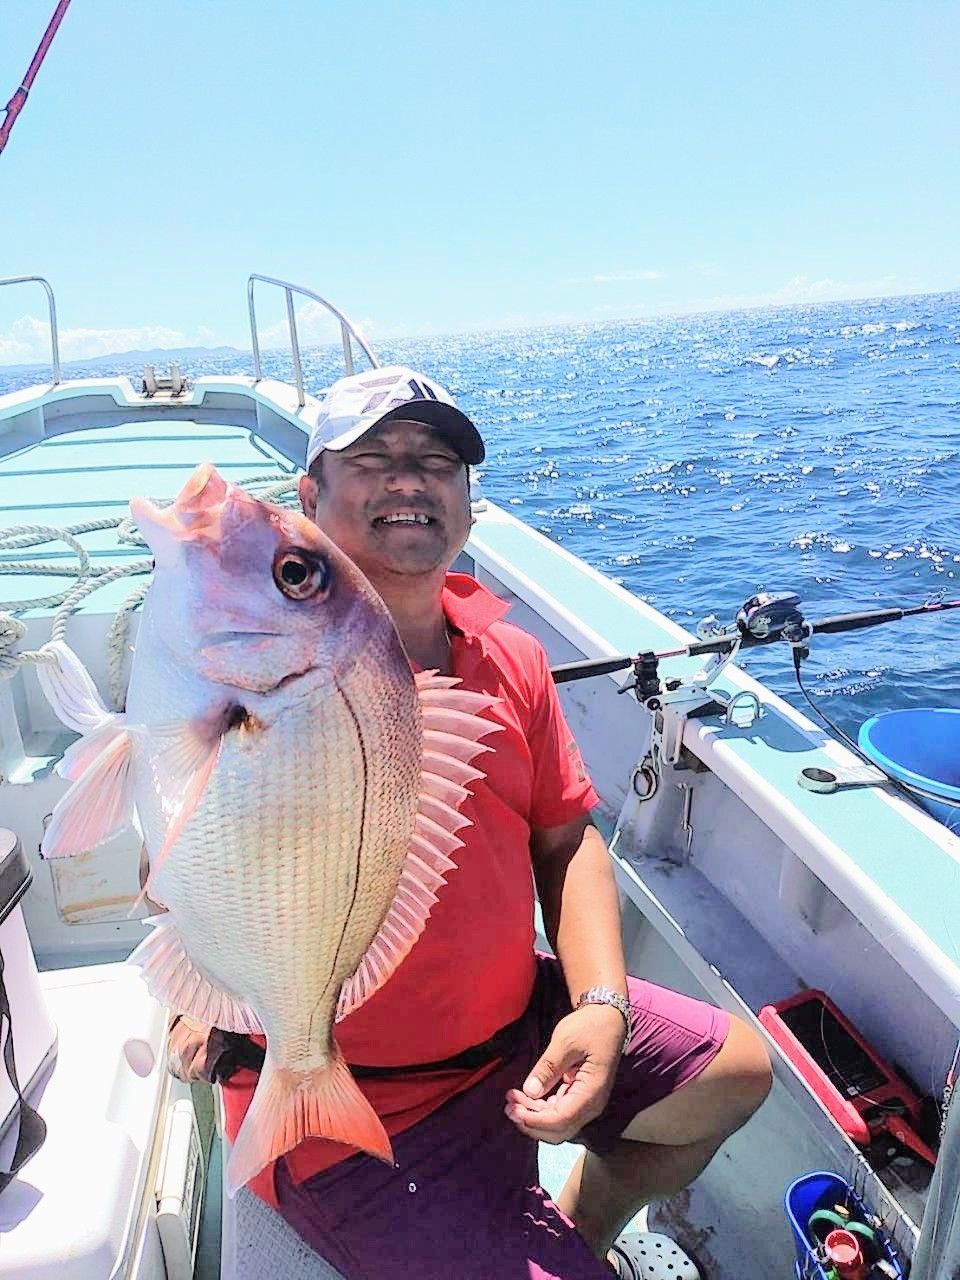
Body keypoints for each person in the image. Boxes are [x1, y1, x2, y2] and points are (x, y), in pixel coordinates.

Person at [168, 365, 772, 1279]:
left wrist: (601, 1006)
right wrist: (194, 999)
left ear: (465, 503)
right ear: (309, 495)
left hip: (514, 1029)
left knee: (738, 1071)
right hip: (360, 1097)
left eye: (437, 461)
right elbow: (185, 844)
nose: (409, 479)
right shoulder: (243, 683)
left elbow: (566, 842)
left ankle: (585, 1227)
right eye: (372, 457)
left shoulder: (512, 657)